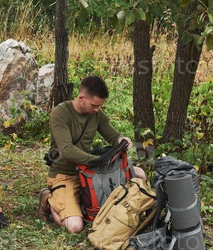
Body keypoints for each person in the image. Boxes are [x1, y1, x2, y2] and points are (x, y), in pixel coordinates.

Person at [38, 76, 146, 234]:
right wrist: (98, 161)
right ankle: (48, 199)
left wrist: (121, 140)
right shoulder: (60, 113)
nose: (96, 110)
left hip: (90, 171)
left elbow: (112, 135)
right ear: (81, 97)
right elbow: (67, 150)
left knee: (140, 174)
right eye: (94, 105)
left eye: (99, 106)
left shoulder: (96, 114)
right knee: (75, 227)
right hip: (65, 174)